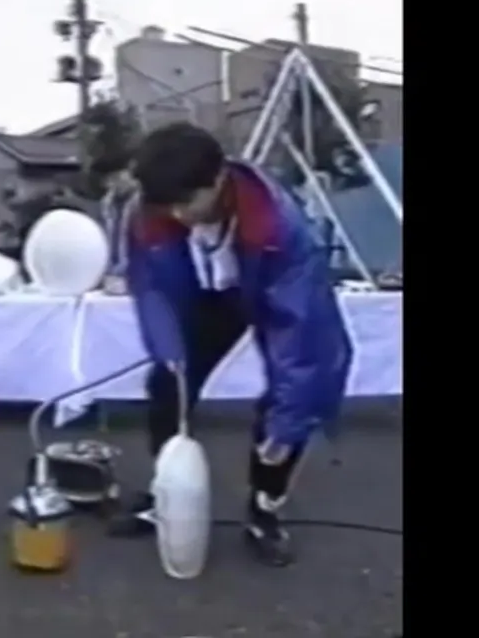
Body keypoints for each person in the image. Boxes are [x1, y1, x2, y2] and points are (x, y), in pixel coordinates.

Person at [107, 123, 353, 567]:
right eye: (168, 205)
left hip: (267, 285)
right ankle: (169, 491)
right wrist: (170, 353)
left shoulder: (281, 228)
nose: (178, 214)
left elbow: (303, 343)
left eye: (187, 202)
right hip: (205, 296)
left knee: (285, 404)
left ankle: (265, 507)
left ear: (219, 178)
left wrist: (286, 428)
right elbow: (152, 290)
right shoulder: (146, 212)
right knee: (168, 384)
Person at [100, 168, 135, 294]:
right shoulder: (106, 204)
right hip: (111, 272)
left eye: (118, 177)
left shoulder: (144, 204)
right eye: (110, 180)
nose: (115, 183)